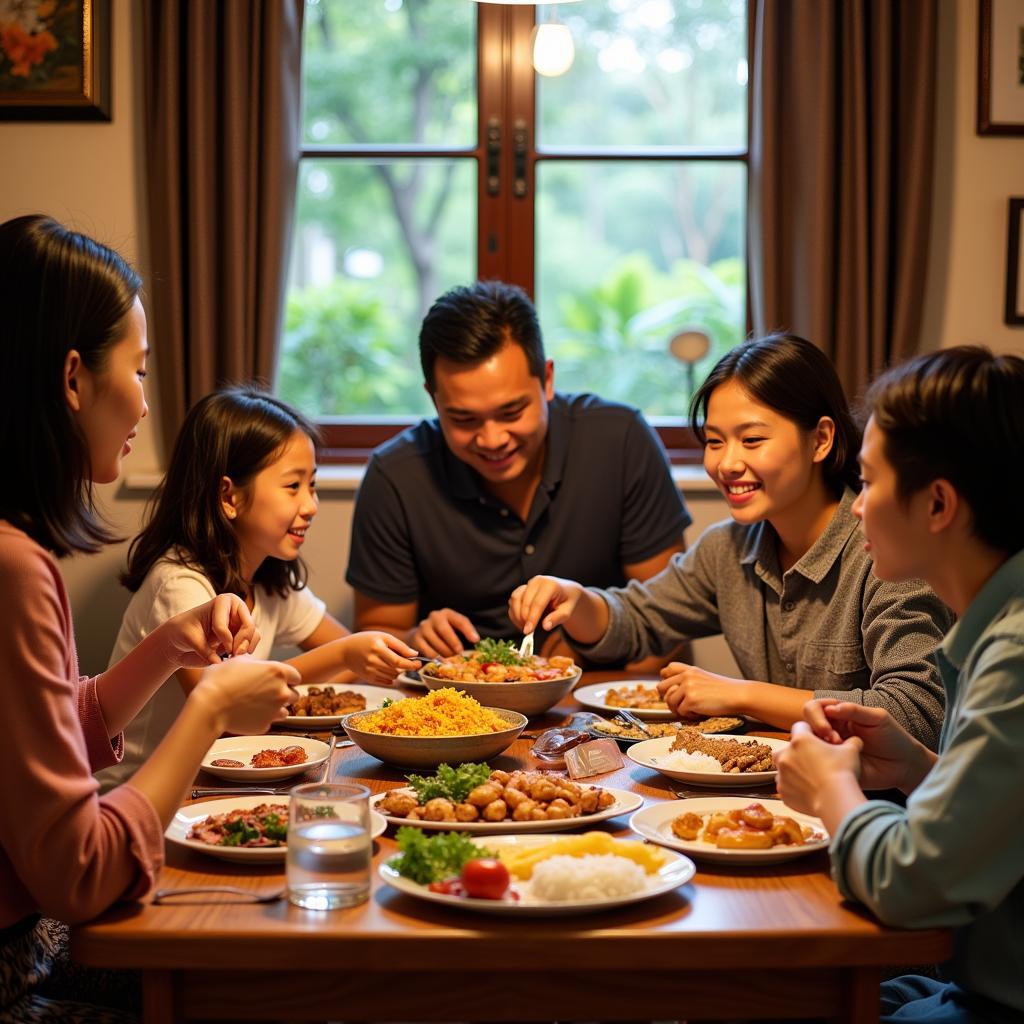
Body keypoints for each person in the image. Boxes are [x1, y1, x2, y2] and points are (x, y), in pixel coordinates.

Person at [0, 214, 300, 1021]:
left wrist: (168, 650)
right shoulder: (13, 568)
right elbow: (81, 876)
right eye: (137, 369)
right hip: (16, 971)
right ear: (72, 379)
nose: (143, 400)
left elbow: (43, 731)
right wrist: (205, 711)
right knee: (270, 988)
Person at [510, 334, 951, 745]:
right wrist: (575, 599)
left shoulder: (888, 552)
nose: (727, 464)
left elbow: (915, 712)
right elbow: (637, 620)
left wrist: (742, 695)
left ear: (820, 439)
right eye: (715, 441)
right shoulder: (729, 548)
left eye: (752, 440)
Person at [775, 346, 1024, 1023]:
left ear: (938, 503)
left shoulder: (1015, 654)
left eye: (869, 481)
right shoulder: (998, 619)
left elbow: (912, 881)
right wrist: (921, 768)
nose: (856, 509)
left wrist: (832, 790)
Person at [346, 280, 692, 661]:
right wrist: (414, 639)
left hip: (600, 702)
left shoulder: (620, 440)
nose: (492, 439)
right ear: (433, 398)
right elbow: (376, 638)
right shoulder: (396, 476)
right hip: (462, 708)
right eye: (464, 419)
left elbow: (667, 626)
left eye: (511, 413)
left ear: (547, 379)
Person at [97, 385, 420, 792]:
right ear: (228, 496)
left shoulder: (269, 582)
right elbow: (227, 705)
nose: (311, 505)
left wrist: (367, 654)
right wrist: (345, 652)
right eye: (293, 486)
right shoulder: (179, 585)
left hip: (218, 782)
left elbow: (349, 661)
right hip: (142, 793)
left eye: (313, 485)